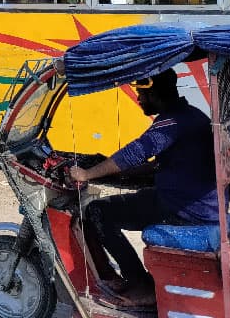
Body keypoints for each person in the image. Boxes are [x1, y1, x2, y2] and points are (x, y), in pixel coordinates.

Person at [68, 68, 217, 306]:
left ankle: (141, 284)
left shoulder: (171, 123)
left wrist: (87, 173)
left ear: (156, 93)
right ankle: (134, 279)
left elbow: (137, 151)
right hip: (195, 201)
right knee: (129, 201)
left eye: (142, 94)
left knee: (97, 211)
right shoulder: (188, 114)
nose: (139, 99)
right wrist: (110, 170)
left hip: (186, 209)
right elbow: (157, 164)